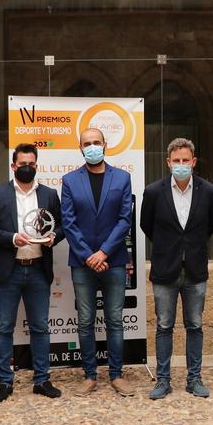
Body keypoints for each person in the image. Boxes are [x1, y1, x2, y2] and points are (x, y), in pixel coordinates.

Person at [0, 143, 64, 403]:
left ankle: (42, 380)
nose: (27, 167)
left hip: (38, 270)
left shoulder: (49, 194)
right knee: (4, 328)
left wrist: (53, 238)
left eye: (31, 164)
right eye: (22, 163)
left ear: (37, 166)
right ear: (13, 166)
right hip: (8, 271)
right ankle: (5, 381)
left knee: (40, 327)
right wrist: (11, 237)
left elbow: (61, 226)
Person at [141, 138, 213, 400]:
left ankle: (194, 378)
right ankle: (163, 380)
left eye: (186, 160)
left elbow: (212, 224)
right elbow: (146, 226)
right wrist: (170, 247)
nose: (181, 165)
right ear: (168, 163)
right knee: (164, 326)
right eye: (176, 161)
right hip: (165, 268)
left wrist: (189, 247)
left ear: (194, 162)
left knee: (195, 325)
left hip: (195, 269)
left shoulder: (208, 191)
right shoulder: (153, 192)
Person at [61, 127, 135, 397]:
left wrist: (102, 252)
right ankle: (90, 375)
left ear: (106, 144)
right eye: (87, 143)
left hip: (113, 260)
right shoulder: (69, 181)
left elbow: (124, 220)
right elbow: (68, 223)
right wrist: (88, 255)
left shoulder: (122, 178)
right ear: (80, 148)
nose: (92, 146)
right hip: (82, 263)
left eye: (96, 142)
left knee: (115, 320)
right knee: (85, 320)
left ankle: (116, 375)